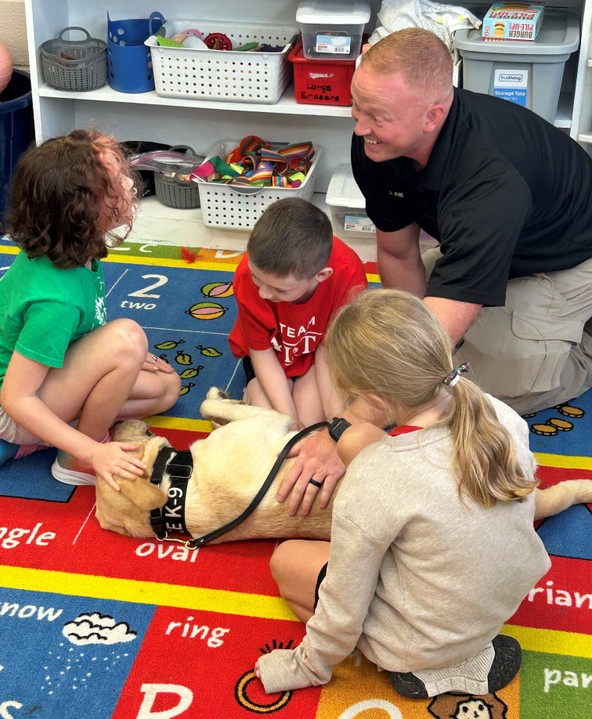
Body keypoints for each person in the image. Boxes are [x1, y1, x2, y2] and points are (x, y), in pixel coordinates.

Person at [278, 26, 592, 515]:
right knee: (387, 355)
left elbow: (422, 360)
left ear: (433, 116)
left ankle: (583, 342)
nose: (359, 127)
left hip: (569, 260)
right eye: (357, 107)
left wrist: (340, 431)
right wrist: (396, 367)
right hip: (487, 245)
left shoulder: (489, 180)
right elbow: (400, 254)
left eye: (376, 116)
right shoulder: (379, 141)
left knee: (477, 393)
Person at [255, 288, 551, 699]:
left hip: (422, 640)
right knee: (358, 442)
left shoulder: (379, 477)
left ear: (374, 397)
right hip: (495, 605)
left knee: (286, 560)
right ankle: (457, 647)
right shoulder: (497, 413)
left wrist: (307, 664)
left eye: (355, 396)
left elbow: (344, 604)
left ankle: (437, 668)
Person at [0, 129, 181, 488]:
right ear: (79, 212)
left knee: (166, 388)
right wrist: (93, 452)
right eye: (114, 187)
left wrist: (105, 356)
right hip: (11, 408)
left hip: (41, 382)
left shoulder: (69, 245)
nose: (130, 188)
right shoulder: (56, 299)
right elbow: (16, 398)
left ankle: (55, 432)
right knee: (127, 338)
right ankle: (73, 458)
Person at [228, 197, 367, 428]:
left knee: (312, 422)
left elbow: (329, 351)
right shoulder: (247, 273)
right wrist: (290, 419)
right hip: (270, 355)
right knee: (274, 425)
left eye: (279, 289)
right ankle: (253, 393)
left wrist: (337, 423)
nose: (262, 293)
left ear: (321, 276)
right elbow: (260, 350)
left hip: (318, 356)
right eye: (257, 278)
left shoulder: (347, 274)